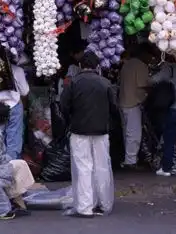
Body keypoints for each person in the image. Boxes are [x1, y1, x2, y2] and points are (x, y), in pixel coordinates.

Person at [60, 51, 117, 217]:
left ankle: (85, 207)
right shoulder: (105, 83)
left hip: (79, 130)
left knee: (83, 168)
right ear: (97, 66)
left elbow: (64, 106)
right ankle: (104, 203)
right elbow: (114, 108)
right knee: (102, 166)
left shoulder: (73, 83)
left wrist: (71, 120)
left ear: (80, 66)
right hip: (101, 131)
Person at [0, 53, 29, 159]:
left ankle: (0, 162)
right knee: (14, 136)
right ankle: (12, 163)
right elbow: (25, 91)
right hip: (14, 106)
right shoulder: (18, 70)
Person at [118, 44, 150, 169]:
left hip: (123, 102)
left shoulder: (126, 65)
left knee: (127, 133)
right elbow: (143, 85)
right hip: (133, 103)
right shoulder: (140, 65)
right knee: (134, 134)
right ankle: (130, 161)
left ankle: (129, 159)